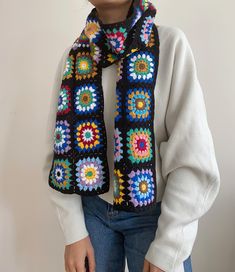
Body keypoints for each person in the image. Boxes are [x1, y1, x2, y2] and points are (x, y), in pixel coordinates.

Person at [45, 0, 220, 271]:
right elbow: (59, 153)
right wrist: (73, 232)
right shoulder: (74, 58)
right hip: (93, 212)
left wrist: (169, 245)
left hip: (158, 216)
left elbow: (192, 155)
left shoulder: (170, 45)